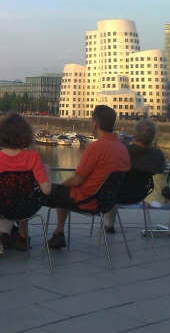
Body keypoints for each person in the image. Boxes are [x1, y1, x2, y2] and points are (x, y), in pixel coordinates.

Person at [47, 105, 130, 248]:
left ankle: (54, 233)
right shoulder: (122, 148)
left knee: (56, 191)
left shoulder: (95, 148)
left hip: (88, 200)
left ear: (95, 124)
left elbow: (76, 179)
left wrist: (60, 187)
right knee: (64, 192)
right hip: (107, 202)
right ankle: (58, 233)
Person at [0, 112, 52, 258]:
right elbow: (47, 190)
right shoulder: (34, 156)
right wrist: (47, 170)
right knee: (14, 203)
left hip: (0, 203)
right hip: (23, 205)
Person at [103, 118, 166, 233]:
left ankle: (110, 224)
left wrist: (121, 140)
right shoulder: (158, 155)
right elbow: (161, 170)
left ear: (134, 134)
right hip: (140, 194)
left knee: (109, 187)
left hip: (116, 195)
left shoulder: (121, 150)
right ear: (152, 137)